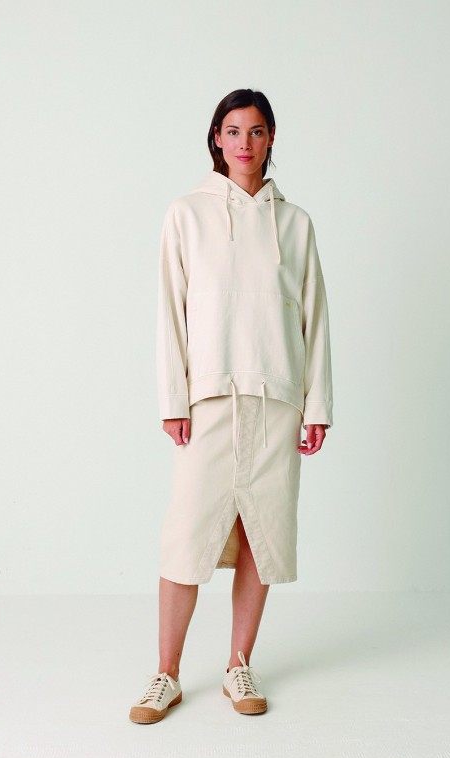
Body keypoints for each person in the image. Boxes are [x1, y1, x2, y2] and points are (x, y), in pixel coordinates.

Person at [129, 88, 334, 724]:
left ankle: (239, 663)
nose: (245, 143)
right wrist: (174, 398)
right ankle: (165, 674)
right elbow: (170, 312)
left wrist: (317, 405)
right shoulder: (186, 214)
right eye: (233, 130)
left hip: (276, 399)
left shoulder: (294, 223)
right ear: (217, 138)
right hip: (210, 398)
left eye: (257, 131)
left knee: (260, 537)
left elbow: (316, 317)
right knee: (186, 538)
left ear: (271, 139)